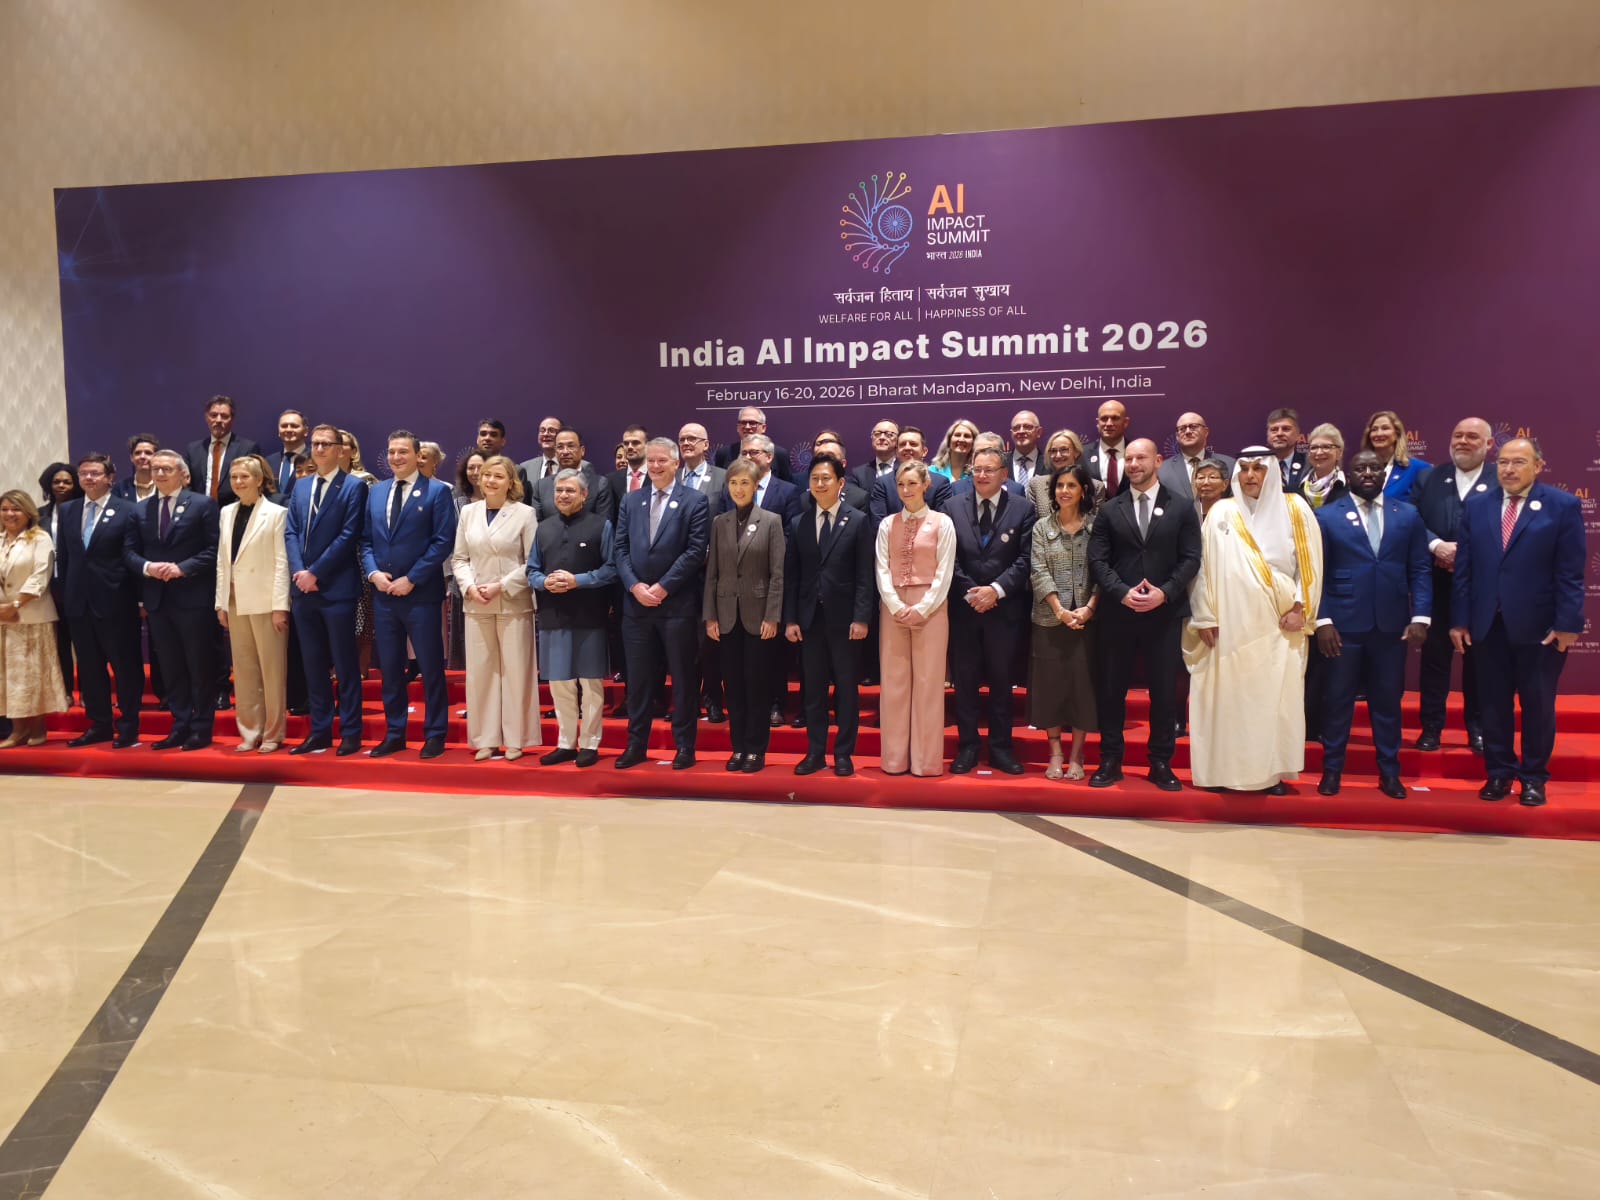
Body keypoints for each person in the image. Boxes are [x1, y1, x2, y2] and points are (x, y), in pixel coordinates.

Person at [1450, 438, 1584, 808]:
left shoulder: (1562, 505)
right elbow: (1464, 571)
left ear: (1538, 466)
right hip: (1487, 626)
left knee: (1538, 706)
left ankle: (1534, 778)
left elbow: (1571, 572)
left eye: (1519, 462)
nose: (1509, 469)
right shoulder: (1477, 506)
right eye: (1504, 462)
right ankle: (1499, 773)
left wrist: (1568, 623)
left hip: (1541, 629)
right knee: (1493, 706)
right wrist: (1460, 620)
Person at [1184, 448, 1323, 793]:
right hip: (1228, 623)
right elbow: (1201, 568)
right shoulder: (1222, 511)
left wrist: (1301, 608)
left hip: (1277, 625)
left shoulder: (1295, 508)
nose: (1250, 475)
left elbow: (1311, 563)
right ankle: (1222, 773)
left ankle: (1269, 775)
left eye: (1258, 468)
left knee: (1272, 701)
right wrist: (1204, 615)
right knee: (1228, 699)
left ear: (1271, 471)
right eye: (1244, 468)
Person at [1312, 450, 1432, 798]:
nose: (1367, 473)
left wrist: (1420, 616)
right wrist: (1322, 619)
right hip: (1342, 626)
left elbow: (1420, 568)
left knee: (1387, 703)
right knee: (1337, 702)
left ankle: (1390, 773)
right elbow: (1315, 571)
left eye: (1375, 468)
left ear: (1384, 474)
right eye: (1360, 468)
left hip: (1391, 627)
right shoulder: (1326, 516)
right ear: (1348, 474)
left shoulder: (1407, 514)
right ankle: (1332, 771)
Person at [1087, 439, 1201, 791]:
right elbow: (1098, 560)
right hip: (1117, 615)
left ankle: (1160, 762)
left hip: (1163, 615)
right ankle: (1110, 760)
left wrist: (1164, 592)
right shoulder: (1110, 509)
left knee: (1164, 694)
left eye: (1141, 458)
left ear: (1158, 461)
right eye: (1129, 458)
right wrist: (1122, 592)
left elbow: (1191, 558)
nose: (1134, 464)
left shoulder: (1182, 507)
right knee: (1111, 691)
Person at [613, 437, 710, 770]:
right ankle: (636, 745)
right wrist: (634, 585)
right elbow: (620, 549)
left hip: (677, 607)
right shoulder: (631, 500)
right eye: (650, 461)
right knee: (638, 681)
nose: (655, 466)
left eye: (661, 461)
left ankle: (684, 747)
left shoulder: (694, 500)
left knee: (683, 679)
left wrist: (664, 587)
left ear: (675, 463)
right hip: (636, 607)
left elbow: (695, 551)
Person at [360, 430, 458, 759]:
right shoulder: (376, 492)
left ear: (417, 455)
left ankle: (435, 734)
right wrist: (373, 573)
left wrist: (412, 578)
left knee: (430, 668)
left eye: (403, 451)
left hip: (421, 595)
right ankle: (395, 733)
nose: (396, 457)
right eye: (391, 452)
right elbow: (366, 540)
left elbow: (442, 541)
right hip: (384, 595)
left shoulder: (437, 492)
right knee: (390, 669)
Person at [945, 447, 1035, 775]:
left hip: (1004, 610)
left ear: (1004, 474)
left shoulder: (1023, 508)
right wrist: (972, 592)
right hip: (964, 609)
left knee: (1001, 683)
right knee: (965, 683)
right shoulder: (952, 506)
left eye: (989, 470)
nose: (981, 475)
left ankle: (1001, 749)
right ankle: (967, 747)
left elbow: (1026, 559)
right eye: (977, 470)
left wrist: (995, 590)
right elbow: (948, 557)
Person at [784, 452, 873, 777]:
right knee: (814, 690)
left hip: (846, 621)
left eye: (826, 479)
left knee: (847, 689)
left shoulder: (858, 520)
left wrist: (861, 618)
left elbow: (865, 574)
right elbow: (792, 576)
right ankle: (816, 752)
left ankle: (844, 754)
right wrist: (790, 619)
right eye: (815, 479)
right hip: (810, 621)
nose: (820, 484)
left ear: (840, 483)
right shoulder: (799, 522)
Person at [126, 449, 221, 750]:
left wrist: (183, 568)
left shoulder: (202, 504)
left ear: (183, 474)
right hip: (158, 600)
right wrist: (147, 567)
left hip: (193, 598)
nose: (160, 474)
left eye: (167, 469)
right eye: (155, 469)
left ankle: (201, 727)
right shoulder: (140, 510)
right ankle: (180, 725)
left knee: (199, 665)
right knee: (171, 666)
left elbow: (215, 548)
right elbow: (129, 551)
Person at [1410, 417, 1493, 753]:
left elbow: (1509, 524)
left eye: (1472, 436)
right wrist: (1436, 546)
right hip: (1436, 582)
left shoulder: (1500, 478)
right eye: (1458, 435)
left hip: (1482, 587)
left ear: (1489, 444)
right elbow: (1411, 520)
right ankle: (1431, 727)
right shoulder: (1429, 477)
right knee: (1434, 659)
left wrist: (1466, 555)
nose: (1463, 441)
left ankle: (1478, 729)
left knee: (1480, 660)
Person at [451, 454, 539, 760]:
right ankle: (486, 739)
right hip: (477, 602)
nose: (491, 480)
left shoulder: (524, 514)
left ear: (510, 482)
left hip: (513, 601)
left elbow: (532, 562)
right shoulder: (468, 513)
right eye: (487, 475)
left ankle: (516, 738)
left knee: (516, 672)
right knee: (481, 674)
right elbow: (459, 558)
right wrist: (469, 586)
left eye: (498, 476)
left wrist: (501, 585)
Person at [529, 469, 616, 767]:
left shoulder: (601, 525)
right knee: (559, 683)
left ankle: (590, 743)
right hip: (553, 615)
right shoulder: (543, 528)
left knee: (591, 684)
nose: (563, 495)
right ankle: (566, 743)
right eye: (559, 491)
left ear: (584, 494)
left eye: (570, 490)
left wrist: (578, 580)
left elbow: (611, 569)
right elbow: (531, 570)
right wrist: (544, 582)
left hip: (590, 614)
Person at [703, 459, 785, 773]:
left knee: (757, 686)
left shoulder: (771, 521)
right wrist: (710, 616)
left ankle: (756, 749)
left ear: (755, 486)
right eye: (734, 483)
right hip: (726, 617)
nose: (739, 489)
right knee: (733, 687)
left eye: (745, 483)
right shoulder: (719, 522)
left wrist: (772, 616)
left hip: (758, 617)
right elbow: (712, 574)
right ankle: (738, 747)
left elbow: (777, 574)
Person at [57, 453, 144, 748]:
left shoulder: (128, 510)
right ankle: (100, 724)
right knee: (90, 668)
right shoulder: (68, 510)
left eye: (95, 473)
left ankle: (129, 726)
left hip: (117, 602)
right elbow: (65, 558)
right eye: (84, 474)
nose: (89, 478)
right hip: (78, 603)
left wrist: (139, 599)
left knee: (125, 667)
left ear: (110, 478)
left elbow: (132, 557)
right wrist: (66, 597)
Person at [875, 460, 956, 777]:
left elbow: (944, 570)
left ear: (926, 485)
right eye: (901, 484)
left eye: (912, 483)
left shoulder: (942, 523)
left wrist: (924, 607)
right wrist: (895, 605)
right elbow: (881, 568)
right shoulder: (887, 524)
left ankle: (925, 762)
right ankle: (894, 760)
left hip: (931, 608)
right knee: (894, 682)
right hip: (893, 605)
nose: (906, 490)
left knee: (928, 683)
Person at [214, 455, 290, 754]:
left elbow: (282, 562)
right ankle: (249, 730)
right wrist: (221, 602)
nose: (238, 482)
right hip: (235, 599)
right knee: (244, 672)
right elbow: (223, 561)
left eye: (245, 476)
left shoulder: (276, 513)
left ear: (259, 480)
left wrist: (280, 605)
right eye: (234, 477)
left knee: (271, 672)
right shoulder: (226, 512)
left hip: (265, 601)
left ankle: (273, 732)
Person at [1029, 464, 1099, 780]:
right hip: (1049, 620)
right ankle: (1056, 753)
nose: (1064, 491)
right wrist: (1059, 610)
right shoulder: (1041, 528)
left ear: (1083, 490)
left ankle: (1077, 755)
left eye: (1071, 485)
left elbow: (1103, 572)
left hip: (1087, 621)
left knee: (1082, 689)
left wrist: (1089, 608)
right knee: (1051, 689)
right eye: (1060, 486)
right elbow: (1038, 571)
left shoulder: (1096, 527)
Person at [0, 490, 70, 747]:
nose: (10, 514)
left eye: (16, 509)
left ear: (28, 512)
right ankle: (18, 730)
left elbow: (41, 574)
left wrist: (16, 604)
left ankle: (38, 727)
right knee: (9, 676)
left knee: (34, 674)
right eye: (5, 509)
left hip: (32, 615)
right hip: (2, 617)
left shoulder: (40, 538)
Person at [36, 461, 82, 702]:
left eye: (67, 481)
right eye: (57, 482)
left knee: (84, 643)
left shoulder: (84, 510)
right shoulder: (39, 515)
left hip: (80, 586)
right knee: (60, 642)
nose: (61, 485)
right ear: (49, 485)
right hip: (50, 588)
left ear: (75, 485)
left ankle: (89, 692)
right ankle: (65, 691)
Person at [184, 394, 261, 506]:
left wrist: (233, 510)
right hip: (199, 511)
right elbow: (186, 484)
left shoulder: (247, 448)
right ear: (206, 417)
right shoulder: (193, 449)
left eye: (224, 416)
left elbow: (251, 486)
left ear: (232, 419)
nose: (218, 420)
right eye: (213, 415)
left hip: (234, 510)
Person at [869, 426, 953, 521]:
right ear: (897, 451)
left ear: (924, 451)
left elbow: (942, 521)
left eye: (913, 444)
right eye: (902, 444)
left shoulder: (940, 483)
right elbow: (878, 522)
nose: (907, 447)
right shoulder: (883, 483)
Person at [530, 428, 614, 521]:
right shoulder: (541, 486)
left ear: (582, 451)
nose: (565, 452)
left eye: (571, 446)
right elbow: (538, 524)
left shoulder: (600, 484)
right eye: (560, 447)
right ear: (555, 452)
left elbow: (603, 523)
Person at [1157, 413, 1234, 503]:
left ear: (1206, 432)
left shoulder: (1230, 465)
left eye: (1193, 427)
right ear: (1177, 436)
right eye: (1182, 428)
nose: (1188, 432)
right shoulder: (1162, 469)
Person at [1360, 409, 1430, 499]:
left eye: (1385, 428)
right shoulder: (1360, 469)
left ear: (1397, 434)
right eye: (1374, 429)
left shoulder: (1419, 468)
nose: (1378, 433)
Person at [713, 406, 794, 482]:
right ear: (737, 427)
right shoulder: (724, 453)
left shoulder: (779, 454)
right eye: (743, 422)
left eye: (752, 423)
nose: (747, 427)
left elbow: (787, 486)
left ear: (763, 428)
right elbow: (719, 484)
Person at [1083, 400, 1131, 499]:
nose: (1109, 423)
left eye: (1115, 418)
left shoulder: (1137, 453)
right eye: (1104, 419)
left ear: (1125, 422)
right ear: (1098, 423)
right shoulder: (1082, 454)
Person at [1298, 423, 1348, 510]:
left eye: (1326, 447)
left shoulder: (1350, 489)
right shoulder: (1295, 489)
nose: (1319, 452)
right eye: (1314, 447)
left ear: (1339, 453)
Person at [266, 409, 309, 499]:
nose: (288, 430)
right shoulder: (269, 461)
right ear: (279, 431)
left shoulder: (314, 459)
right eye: (284, 426)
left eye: (294, 426)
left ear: (306, 431)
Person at [1266, 408, 1310, 492]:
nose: (1279, 433)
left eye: (1286, 429)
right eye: (1274, 430)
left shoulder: (1308, 464)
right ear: (1268, 435)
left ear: (1298, 435)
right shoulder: (1259, 464)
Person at [851, 419, 901, 492]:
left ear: (898, 440)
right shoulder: (859, 474)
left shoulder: (905, 469)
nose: (882, 437)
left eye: (889, 434)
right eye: (877, 434)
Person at [113, 434, 161, 503]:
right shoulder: (120, 489)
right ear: (131, 458)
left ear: (157, 457)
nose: (142, 456)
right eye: (138, 453)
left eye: (148, 453)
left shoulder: (165, 486)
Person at [517, 416, 564, 485]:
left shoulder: (573, 465)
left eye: (551, 430)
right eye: (542, 430)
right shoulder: (525, 467)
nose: (546, 434)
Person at [1006, 410, 1041, 487]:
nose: (1021, 431)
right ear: (1011, 433)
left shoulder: (1049, 463)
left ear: (1038, 432)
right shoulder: (1001, 463)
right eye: (1016, 428)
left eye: (1027, 427)